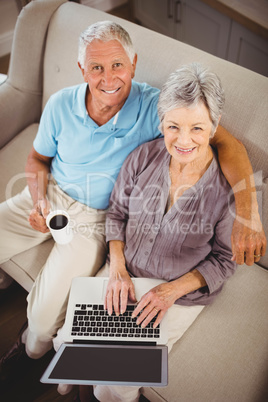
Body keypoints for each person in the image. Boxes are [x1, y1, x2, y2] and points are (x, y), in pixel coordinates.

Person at [0, 21, 265, 388]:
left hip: (96, 220)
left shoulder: (162, 106)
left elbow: (226, 143)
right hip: (52, 197)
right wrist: (40, 200)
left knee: (56, 330)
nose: (108, 78)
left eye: (117, 65)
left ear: (134, 63)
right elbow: (37, 159)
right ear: (81, 69)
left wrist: (249, 214)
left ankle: (31, 354)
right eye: (96, 67)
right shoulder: (63, 103)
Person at [88, 62, 237, 402]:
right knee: (80, 342)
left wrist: (169, 292)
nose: (184, 141)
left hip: (179, 293)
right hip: (124, 272)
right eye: (174, 126)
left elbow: (225, 260)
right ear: (161, 124)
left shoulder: (226, 191)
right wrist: (117, 268)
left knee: (120, 380)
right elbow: (117, 213)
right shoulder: (142, 157)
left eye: (197, 128)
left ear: (214, 127)